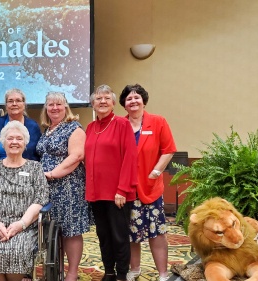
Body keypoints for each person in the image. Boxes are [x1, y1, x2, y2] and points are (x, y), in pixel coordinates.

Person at [0, 121, 49, 281]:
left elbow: (40, 199)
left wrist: (21, 224)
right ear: (3, 143)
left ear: (25, 143)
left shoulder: (35, 168)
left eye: (19, 139)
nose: (14, 142)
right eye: (10, 138)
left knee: (18, 249)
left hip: (25, 226)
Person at [119, 84, 176, 281]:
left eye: (136, 97)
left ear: (143, 100)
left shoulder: (158, 122)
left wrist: (156, 170)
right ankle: (134, 269)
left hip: (150, 187)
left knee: (156, 232)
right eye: (129, 99)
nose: (133, 101)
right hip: (127, 189)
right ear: (124, 105)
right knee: (131, 232)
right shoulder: (120, 124)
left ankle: (162, 273)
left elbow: (168, 149)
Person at [84, 84, 138, 281]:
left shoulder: (123, 125)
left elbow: (130, 158)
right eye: (98, 98)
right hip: (96, 193)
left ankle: (122, 274)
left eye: (107, 98)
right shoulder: (90, 127)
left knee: (119, 236)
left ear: (114, 103)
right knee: (103, 235)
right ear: (93, 104)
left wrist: (122, 189)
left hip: (118, 194)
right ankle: (109, 271)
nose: (103, 101)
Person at [36, 92, 90, 281]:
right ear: (46, 108)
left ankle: (72, 273)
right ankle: (55, 269)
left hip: (69, 187)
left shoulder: (73, 127)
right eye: (50, 104)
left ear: (66, 106)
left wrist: (51, 174)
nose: (54, 108)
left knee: (71, 230)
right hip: (47, 188)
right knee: (54, 229)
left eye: (59, 104)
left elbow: (76, 157)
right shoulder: (47, 129)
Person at [0, 88, 41, 164]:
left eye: (18, 100)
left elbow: (38, 155)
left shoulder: (33, 126)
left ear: (24, 104)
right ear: (6, 105)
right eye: (10, 101)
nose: (14, 104)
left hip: (26, 172)